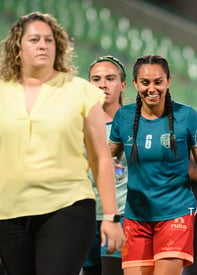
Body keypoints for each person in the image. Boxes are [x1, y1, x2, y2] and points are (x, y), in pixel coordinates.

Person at [0, 12, 124, 275]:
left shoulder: (81, 91)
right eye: (34, 39)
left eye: (49, 40)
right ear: (18, 47)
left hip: (67, 206)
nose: (43, 45)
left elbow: (101, 158)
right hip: (8, 212)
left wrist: (111, 217)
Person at [108, 54, 197, 275]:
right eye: (145, 82)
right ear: (134, 83)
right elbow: (108, 158)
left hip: (175, 214)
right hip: (136, 216)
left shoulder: (187, 116)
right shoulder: (123, 117)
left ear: (168, 81)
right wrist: (111, 166)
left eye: (158, 82)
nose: (152, 88)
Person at [82, 55, 128, 275]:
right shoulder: (77, 124)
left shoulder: (135, 124)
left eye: (110, 78)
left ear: (123, 85)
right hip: (85, 216)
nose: (102, 84)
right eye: (96, 79)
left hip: (122, 216)